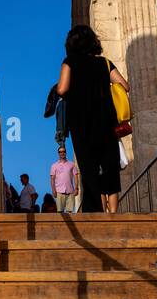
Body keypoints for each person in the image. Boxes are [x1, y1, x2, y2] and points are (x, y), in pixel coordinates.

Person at [57, 24, 129, 213]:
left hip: (81, 122)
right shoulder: (104, 62)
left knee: (88, 166)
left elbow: (62, 89)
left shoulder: (69, 62)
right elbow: (124, 85)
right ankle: (113, 213)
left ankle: (95, 210)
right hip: (106, 121)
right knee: (109, 165)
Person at [49, 145, 79, 213]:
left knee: (70, 212)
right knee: (60, 212)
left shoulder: (72, 164)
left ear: (66, 152)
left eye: (63, 151)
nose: (62, 153)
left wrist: (76, 188)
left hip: (70, 191)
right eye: (60, 152)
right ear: (58, 153)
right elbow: (52, 179)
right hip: (59, 191)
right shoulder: (54, 165)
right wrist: (53, 190)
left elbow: (76, 176)